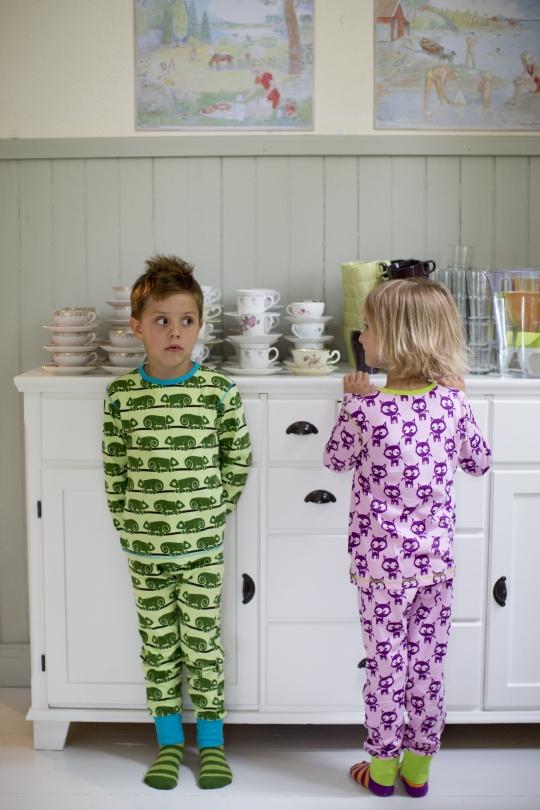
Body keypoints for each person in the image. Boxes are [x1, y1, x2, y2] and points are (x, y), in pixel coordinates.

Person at [323, 279, 491, 798]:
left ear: (396, 339)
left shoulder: (367, 408)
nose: (361, 336)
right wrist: (462, 401)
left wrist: (349, 403)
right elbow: (479, 462)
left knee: (385, 667)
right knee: (427, 665)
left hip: (380, 572)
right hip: (435, 566)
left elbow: (335, 460)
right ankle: (418, 769)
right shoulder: (451, 405)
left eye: (368, 327)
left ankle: (381, 770)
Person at [102, 256, 251, 791]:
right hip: (145, 551)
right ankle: (168, 743)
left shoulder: (217, 392)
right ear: (136, 326)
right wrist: (129, 526)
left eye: (186, 321)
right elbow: (115, 471)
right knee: (159, 646)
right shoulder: (121, 397)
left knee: (203, 644)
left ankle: (210, 745)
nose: (174, 332)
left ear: (200, 325)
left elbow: (237, 460)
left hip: (202, 549)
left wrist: (212, 514)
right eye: (161, 320)